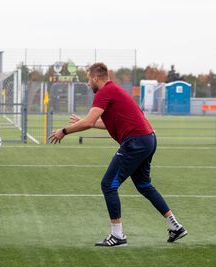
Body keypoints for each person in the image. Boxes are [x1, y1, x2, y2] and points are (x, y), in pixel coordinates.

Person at [48, 62, 187, 247]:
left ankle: (118, 235)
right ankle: (174, 225)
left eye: (89, 79)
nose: (88, 83)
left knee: (108, 184)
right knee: (144, 185)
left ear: (96, 78)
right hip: (148, 139)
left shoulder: (105, 92)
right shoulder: (114, 91)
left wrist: (64, 131)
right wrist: (84, 122)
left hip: (136, 142)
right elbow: (106, 123)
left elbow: (90, 122)